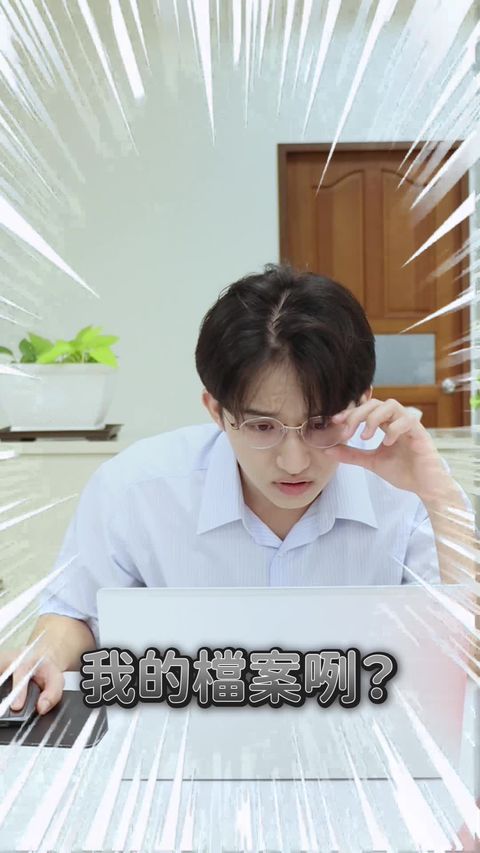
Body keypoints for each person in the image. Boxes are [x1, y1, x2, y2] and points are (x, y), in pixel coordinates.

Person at [2, 263, 474, 716]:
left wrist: (440, 497)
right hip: (178, 752)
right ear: (216, 410)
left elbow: (465, 662)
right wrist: (42, 657)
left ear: (363, 401)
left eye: (320, 425)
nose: (294, 462)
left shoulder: (405, 491)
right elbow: (74, 614)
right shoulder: (135, 490)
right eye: (263, 426)